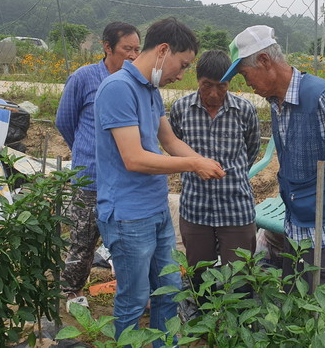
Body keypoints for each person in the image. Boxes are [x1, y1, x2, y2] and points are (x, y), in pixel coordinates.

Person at [220, 25, 325, 292]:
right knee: (301, 300)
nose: (248, 84)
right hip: (301, 222)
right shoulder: (277, 102)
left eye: (246, 75)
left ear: (265, 61)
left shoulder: (320, 96)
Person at [94, 17, 226, 345]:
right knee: (134, 299)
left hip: (155, 210)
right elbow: (134, 158)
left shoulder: (151, 91)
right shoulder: (117, 89)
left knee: (169, 291)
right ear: (163, 50)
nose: (181, 75)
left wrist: (201, 161)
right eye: (181, 65)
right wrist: (192, 164)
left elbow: (168, 140)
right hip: (128, 215)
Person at [55, 22, 141, 308]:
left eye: (136, 49)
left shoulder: (135, 83)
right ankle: (71, 291)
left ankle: (130, 293)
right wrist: (86, 151)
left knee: (126, 240)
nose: (133, 55)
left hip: (124, 178)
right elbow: (65, 122)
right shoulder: (84, 78)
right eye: (127, 49)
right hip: (89, 177)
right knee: (83, 239)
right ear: (107, 47)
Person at [169, 50, 261, 274]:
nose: (213, 93)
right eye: (206, 85)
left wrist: (234, 174)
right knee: (200, 277)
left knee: (239, 278)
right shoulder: (181, 109)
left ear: (229, 83)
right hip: (195, 209)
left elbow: (252, 149)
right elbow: (174, 146)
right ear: (197, 80)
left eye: (221, 86)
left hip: (236, 208)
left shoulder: (244, 110)